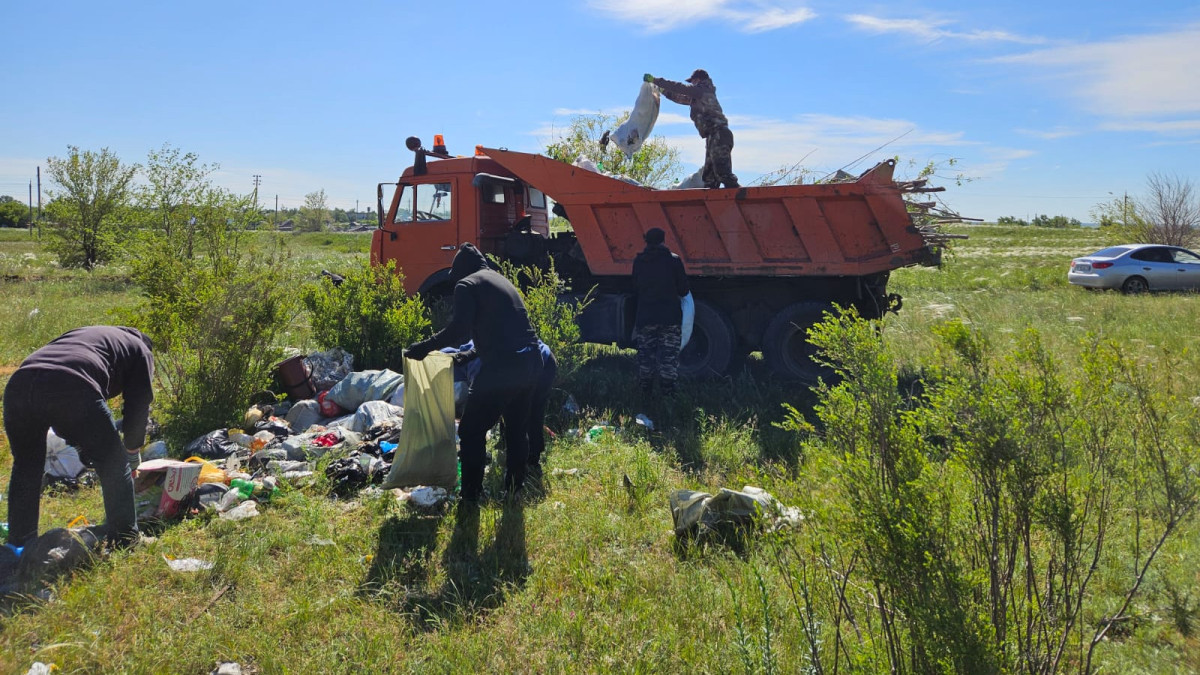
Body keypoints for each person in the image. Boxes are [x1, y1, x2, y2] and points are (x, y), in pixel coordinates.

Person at [404, 243, 542, 500]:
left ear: (461, 270)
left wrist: (424, 347)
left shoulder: (466, 285)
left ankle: (471, 497)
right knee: (515, 428)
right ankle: (514, 490)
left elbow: (459, 330)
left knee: (470, 431)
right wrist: (467, 356)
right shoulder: (500, 281)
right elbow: (500, 331)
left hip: (504, 367)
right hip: (531, 362)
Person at [3, 326, 154, 553]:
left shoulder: (90, 336)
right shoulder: (141, 349)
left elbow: (59, 410)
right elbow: (138, 405)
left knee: (26, 467)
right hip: (72, 384)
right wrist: (132, 453)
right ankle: (126, 539)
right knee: (114, 462)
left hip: (20, 384)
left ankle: (20, 546)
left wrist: (82, 443)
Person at [446, 339, 558, 479]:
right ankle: (514, 459)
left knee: (530, 414)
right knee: (511, 415)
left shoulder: (477, 365)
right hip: (518, 367)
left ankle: (532, 462)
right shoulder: (468, 360)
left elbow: (485, 405)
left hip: (542, 364)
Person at [646, 69, 739, 189]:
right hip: (713, 135)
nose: (692, 84)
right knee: (710, 177)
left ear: (698, 80)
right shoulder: (698, 96)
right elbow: (679, 97)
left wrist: (656, 80)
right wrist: (663, 91)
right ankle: (713, 198)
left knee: (723, 172)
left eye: (693, 81)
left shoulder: (703, 90)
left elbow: (680, 88)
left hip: (719, 134)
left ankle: (739, 194)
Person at [632, 227, 691, 396]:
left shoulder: (639, 261)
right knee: (668, 356)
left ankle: (645, 392)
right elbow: (683, 290)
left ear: (646, 241)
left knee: (646, 355)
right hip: (669, 317)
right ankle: (668, 392)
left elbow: (635, 287)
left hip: (646, 316)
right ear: (663, 240)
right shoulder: (674, 261)